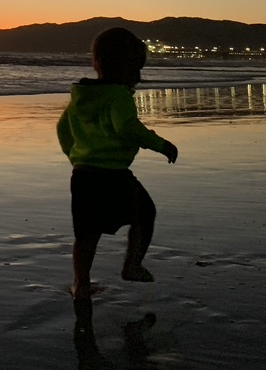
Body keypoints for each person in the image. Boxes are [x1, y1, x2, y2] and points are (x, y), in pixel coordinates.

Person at [57, 27, 178, 300]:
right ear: (129, 68)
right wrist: (160, 144)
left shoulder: (81, 97)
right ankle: (132, 265)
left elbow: (63, 129)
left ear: (96, 61)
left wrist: (76, 157)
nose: (137, 77)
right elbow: (127, 128)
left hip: (83, 176)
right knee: (144, 214)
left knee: (86, 234)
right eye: (136, 69)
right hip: (114, 176)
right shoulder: (118, 97)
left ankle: (81, 285)